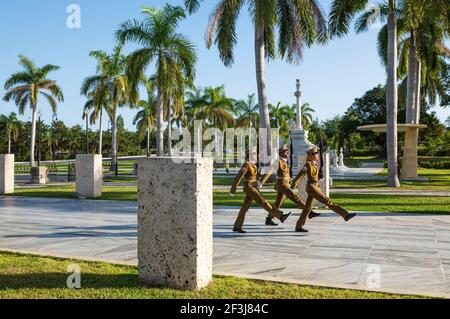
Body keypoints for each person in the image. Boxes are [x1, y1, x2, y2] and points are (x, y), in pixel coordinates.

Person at [295, 146, 357, 233]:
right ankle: (345, 214)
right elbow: (300, 175)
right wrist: (292, 186)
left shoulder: (313, 164)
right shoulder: (308, 164)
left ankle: (299, 226)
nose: (317, 155)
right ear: (311, 155)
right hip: (312, 188)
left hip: (314, 187)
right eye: (315, 154)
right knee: (327, 201)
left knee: (307, 208)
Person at [229, 148, 292, 233]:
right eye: (255, 155)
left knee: (245, 208)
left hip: (253, 186)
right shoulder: (246, 165)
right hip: (249, 187)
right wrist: (234, 188)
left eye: (257, 155)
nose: (257, 156)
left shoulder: (254, 165)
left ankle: (237, 226)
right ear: (250, 155)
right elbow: (239, 176)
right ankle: (280, 216)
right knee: (263, 201)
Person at [260, 145, 321, 226]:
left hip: (285, 184)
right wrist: (261, 182)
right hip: (282, 184)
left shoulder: (285, 161)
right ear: (281, 153)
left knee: (278, 203)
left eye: (287, 151)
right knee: (295, 197)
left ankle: (269, 219)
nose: (287, 152)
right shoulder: (277, 162)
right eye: (285, 151)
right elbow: (269, 171)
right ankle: (310, 212)